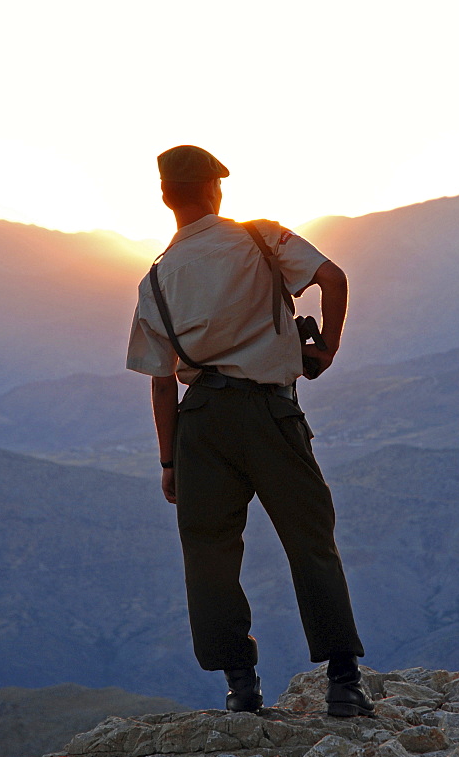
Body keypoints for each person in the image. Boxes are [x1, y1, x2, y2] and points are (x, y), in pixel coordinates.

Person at [126, 144, 373, 718]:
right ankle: (343, 683)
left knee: (210, 554)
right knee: (310, 541)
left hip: (201, 426)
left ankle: (241, 686)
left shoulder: (155, 282)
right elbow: (333, 279)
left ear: (166, 198)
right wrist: (327, 347)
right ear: (216, 190)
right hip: (269, 413)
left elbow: (161, 383)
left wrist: (170, 462)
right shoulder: (261, 239)